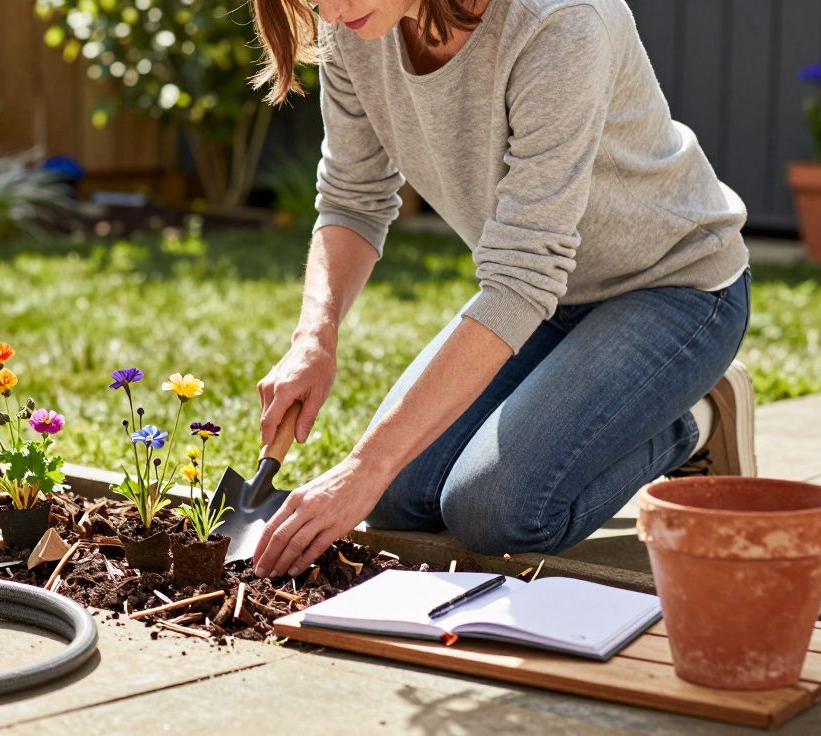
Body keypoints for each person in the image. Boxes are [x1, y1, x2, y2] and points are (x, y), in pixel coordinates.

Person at [249, 0, 753, 579]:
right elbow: (352, 199)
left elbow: (521, 273)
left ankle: (690, 418)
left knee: (496, 513)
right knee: (399, 497)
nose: (329, 13)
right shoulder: (359, 24)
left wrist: (363, 465)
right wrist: (315, 336)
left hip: (675, 287)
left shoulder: (560, 20)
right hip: (545, 300)